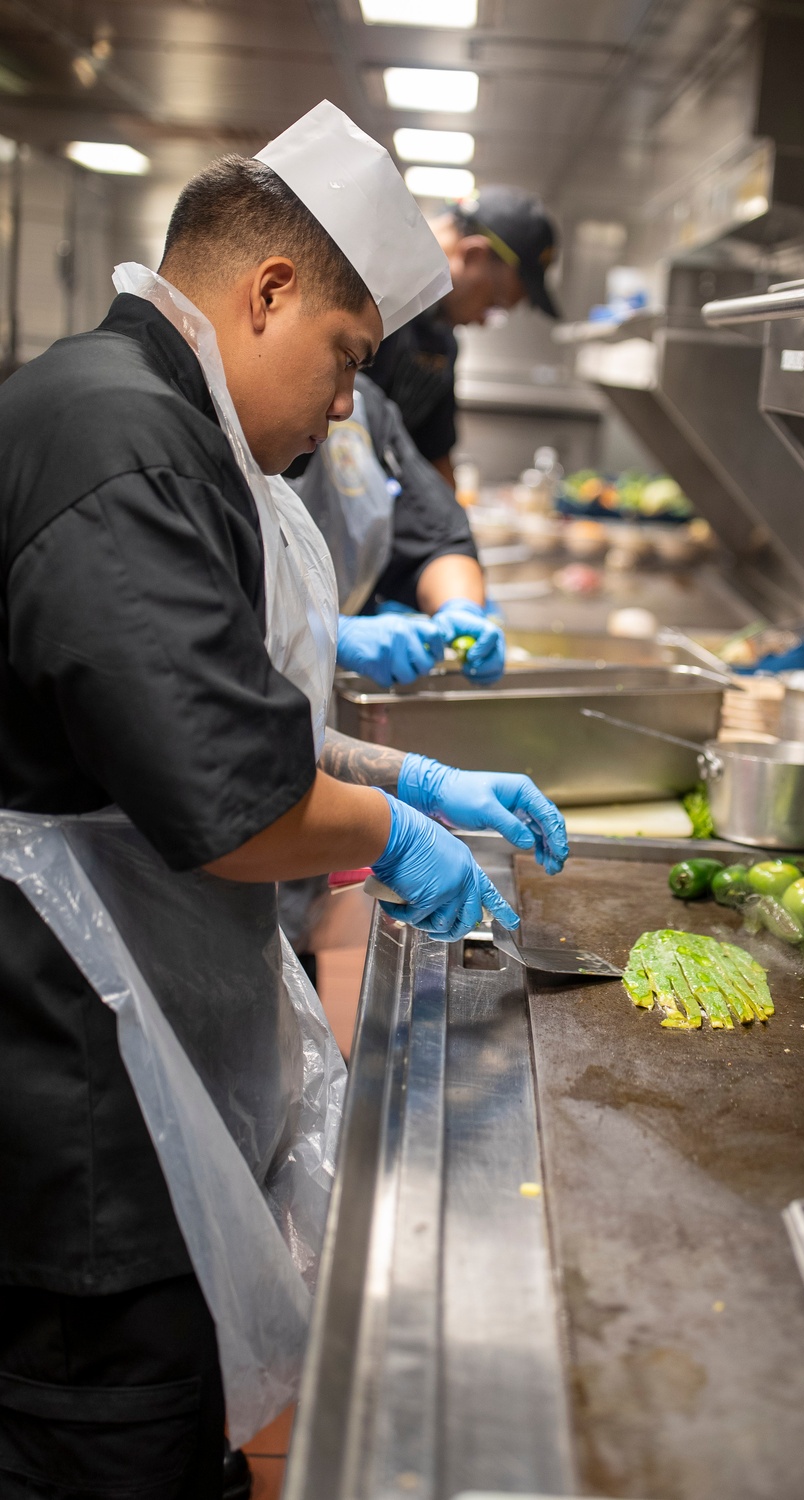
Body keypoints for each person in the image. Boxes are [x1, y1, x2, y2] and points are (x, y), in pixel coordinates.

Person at [0, 100, 567, 1499]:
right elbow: (231, 794)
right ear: (266, 293)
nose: (339, 408)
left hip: (115, 1057)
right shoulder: (122, 443)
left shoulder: (155, 420)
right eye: (343, 360)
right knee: (107, 1447)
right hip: (66, 1088)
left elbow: (228, 727)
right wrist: (395, 829)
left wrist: (404, 771)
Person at [287, 370, 506, 687]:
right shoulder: (200, 419)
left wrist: (460, 609)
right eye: (342, 354)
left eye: (355, 364)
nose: (344, 405)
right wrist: (322, 632)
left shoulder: (361, 409)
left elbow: (436, 537)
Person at [367, 185, 561, 487]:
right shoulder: (368, 283)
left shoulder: (442, 341)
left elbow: (436, 453)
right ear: (473, 254)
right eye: (494, 304)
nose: (484, 323)